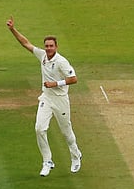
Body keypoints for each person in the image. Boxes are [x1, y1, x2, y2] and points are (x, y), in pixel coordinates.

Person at [6, 16, 83, 177]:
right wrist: (12, 29)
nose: (48, 48)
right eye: (46, 46)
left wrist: (55, 83)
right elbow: (26, 43)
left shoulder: (61, 61)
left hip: (60, 100)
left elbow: (74, 79)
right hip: (46, 98)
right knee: (39, 129)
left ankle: (75, 156)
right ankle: (47, 161)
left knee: (66, 132)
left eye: (51, 46)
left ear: (56, 47)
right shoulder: (42, 56)